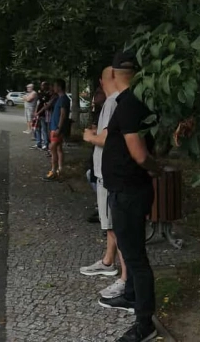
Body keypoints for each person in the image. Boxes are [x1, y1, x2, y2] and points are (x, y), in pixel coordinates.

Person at [94, 53, 160, 342]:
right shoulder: (127, 102)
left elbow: (138, 152)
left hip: (130, 192)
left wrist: (156, 169)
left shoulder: (131, 103)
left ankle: (145, 324)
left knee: (136, 258)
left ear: (114, 75)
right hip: (123, 190)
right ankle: (131, 295)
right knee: (129, 251)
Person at [80, 68, 127, 301]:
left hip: (107, 173)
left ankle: (124, 280)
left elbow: (108, 138)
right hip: (106, 172)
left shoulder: (111, 102)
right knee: (111, 224)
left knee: (117, 226)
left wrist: (89, 136)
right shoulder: (117, 101)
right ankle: (108, 261)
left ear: (102, 81)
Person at [45, 79, 71, 181]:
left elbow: (63, 115)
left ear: (59, 87)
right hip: (56, 128)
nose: (53, 88)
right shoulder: (61, 98)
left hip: (56, 128)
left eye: (55, 86)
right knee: (59, 149)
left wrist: (58, 129)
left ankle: (53, 171)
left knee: (52, 148)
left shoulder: (63, 99)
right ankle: (60, 170)